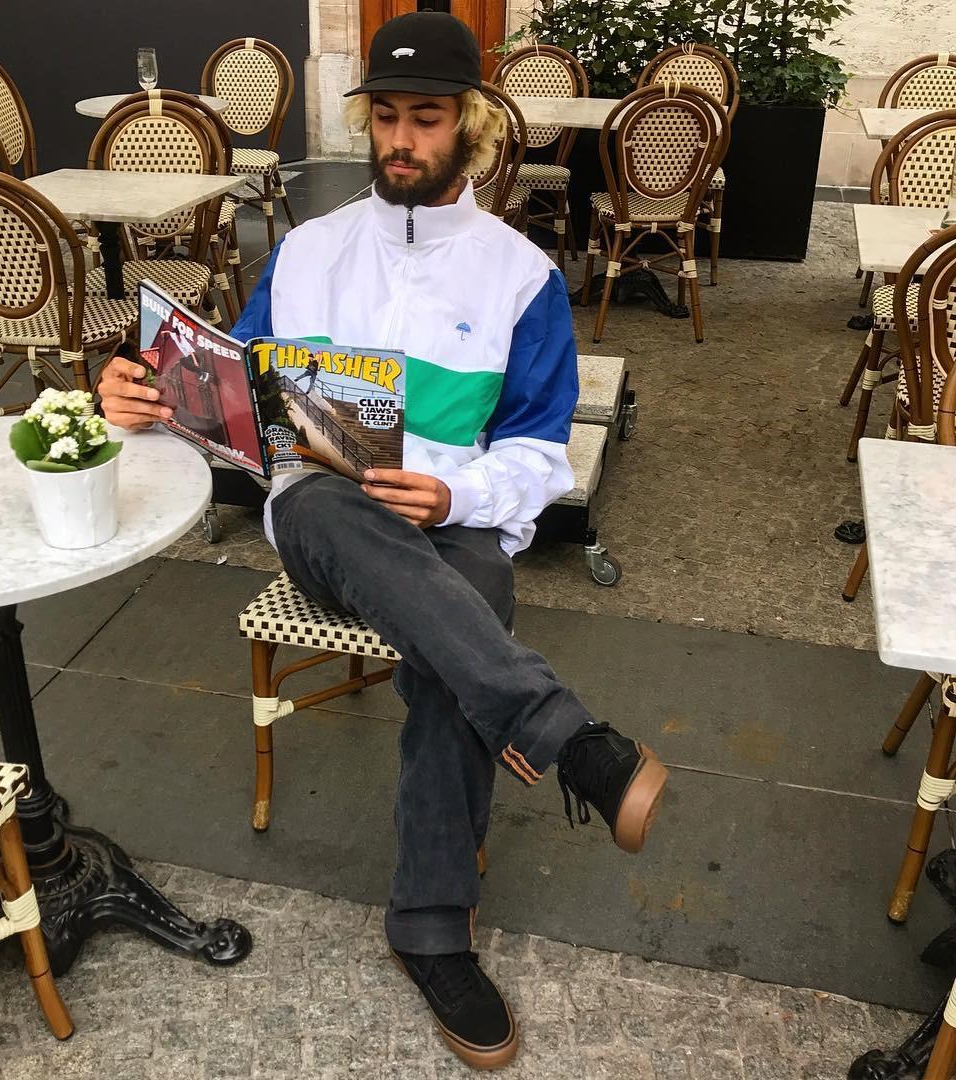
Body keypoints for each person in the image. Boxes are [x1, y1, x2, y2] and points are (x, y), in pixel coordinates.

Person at [99, 12, 667, 1070]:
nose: (402, 140)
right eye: (388, 117)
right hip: (321, 522)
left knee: (471, 614)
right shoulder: (307, 253)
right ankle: (564, 734)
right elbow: (230, 400)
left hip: (453, 530)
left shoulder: (522, 277)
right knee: (323, 499)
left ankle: (430, 925)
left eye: (428, 118)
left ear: (472, 127)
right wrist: (142, 395)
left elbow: (540, 456)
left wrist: (451, 493)